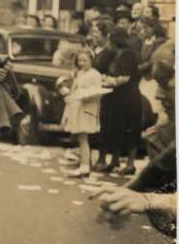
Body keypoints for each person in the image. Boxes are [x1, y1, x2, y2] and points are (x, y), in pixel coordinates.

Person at [94, 22, 146, 177]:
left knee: (130, 129)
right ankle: (114, 161)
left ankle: (130, 164)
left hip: (128, 96)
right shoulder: (111, 53)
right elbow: (102, 68)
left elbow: (125, 77)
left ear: (113, 38)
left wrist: (109, 80)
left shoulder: (127, 54)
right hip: (116, 96)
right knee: (115, 128)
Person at [57, 46, 105, 177]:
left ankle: (85, 167)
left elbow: (97, 93)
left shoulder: (95, 74)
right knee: (81, 137)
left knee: (83, 138)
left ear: (91, 60)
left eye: (85, 60)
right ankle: (84, 164)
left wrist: (85, 95)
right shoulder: (80, 74)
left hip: (87, 108)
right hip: (78, 107)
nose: (82, 63)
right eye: (80, 61)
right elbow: (75, 89)